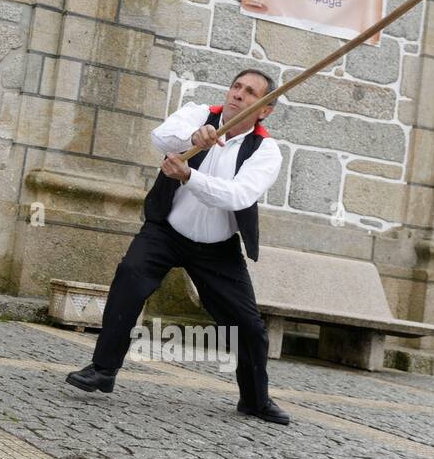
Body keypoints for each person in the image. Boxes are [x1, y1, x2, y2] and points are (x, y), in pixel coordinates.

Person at [66, 69, 291, 425]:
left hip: (217, 248)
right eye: (236, 87)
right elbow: (160, 137)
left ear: (265, 109)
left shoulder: (266, 151)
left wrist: (189, 176)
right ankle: (103, 369)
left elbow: (238, 196)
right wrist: (191, 137)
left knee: (249, 326)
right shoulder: (200, 113)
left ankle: (255, 400)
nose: (238, 95)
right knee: (130, 277)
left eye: (250, 93)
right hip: (167, 231)